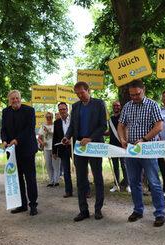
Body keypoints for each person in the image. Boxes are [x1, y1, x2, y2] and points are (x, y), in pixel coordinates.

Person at [118, 79, 165, 227]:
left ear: (143, 91)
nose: (135, 97)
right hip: (131, 150)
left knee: (154, 182)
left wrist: (144, 139)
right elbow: (121, 125)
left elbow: (159, 126)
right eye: (132, 95)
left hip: (148, 149)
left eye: (137, 94)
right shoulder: (127, 106)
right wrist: (122, 139)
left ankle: (159, 213)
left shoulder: (153, 105)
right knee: (134, 182)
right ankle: (138, 210)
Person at [62, 81, 107, 221]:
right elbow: (72, 126)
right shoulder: (75, 106)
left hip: (94, 145)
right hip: (79, 146)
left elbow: (103, 126)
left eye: (82, 93)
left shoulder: (99, 104)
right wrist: (67, 137)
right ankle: (83, 210)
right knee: (80, 179)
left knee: (97, 178)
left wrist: (90, 138)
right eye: (77, 94)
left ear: (88, 90)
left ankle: (98, 209)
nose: (80, 96)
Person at [1, 90, 38, 216]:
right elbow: (3, 129)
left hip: (27, 150)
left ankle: (33, 204)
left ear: (20, 99)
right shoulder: (5, 112)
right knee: (17, 179)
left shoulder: (29, 111)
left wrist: (17, 140)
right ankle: (22, 205)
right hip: (12, 152)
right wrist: (4, 140)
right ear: (9, 100)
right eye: (12, 99)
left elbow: (29, 129)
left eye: (17, 98)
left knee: (30, 178)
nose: (15, 100)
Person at [104, 100, 130, 193]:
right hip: (112, 145)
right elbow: (110, 132)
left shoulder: (123, 117)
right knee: (115, 166)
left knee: (124, 165)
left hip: (122, 144)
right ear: (112, 107)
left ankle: (128, 185)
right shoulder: (110, 119)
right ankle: (116, 184)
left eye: (117, 105)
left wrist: (126, 141)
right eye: (114, 105)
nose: (116, 107)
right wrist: (101, 133)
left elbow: (126, 130)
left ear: (120, 107)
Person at [52, 102, 73, 197]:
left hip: (74, 148)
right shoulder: (56, 123)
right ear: (58, 111)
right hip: (63, 149)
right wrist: (54, 151)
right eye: (60, 110)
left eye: (64, 109)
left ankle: (86, 191)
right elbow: (55, 138)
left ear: (67, 109)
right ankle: (68, 191)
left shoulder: (74, 120)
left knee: (81, 169)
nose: (62, 111)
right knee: (66, 171)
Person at [38, 112, 60, 187]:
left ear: (52, 117)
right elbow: (39, 137)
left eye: (50, 117)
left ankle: (56, 181)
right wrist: (42, 142)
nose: (48, 118)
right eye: (47, 117)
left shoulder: (55, 125)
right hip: (46, 148)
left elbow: (57, 136)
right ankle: (51, 181)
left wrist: (48, 131)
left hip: (54, 147)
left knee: (56, 165)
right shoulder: (43, 126)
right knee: (48, 165)